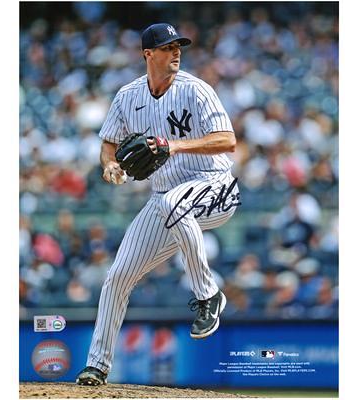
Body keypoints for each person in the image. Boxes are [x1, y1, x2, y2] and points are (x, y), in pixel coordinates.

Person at [76, 23, 241, 386]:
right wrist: (110, 165)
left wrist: (173, 145)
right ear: (148, 54)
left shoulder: (196, 90)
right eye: (167, 47)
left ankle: (208, 295)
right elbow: (108, 144)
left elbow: (228, 140)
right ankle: (97, 365)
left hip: (215, 187)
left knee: (171, 202)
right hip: (166, 199)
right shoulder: (127, 96)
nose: (176, 52)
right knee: (118, 276)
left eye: (178, 46)